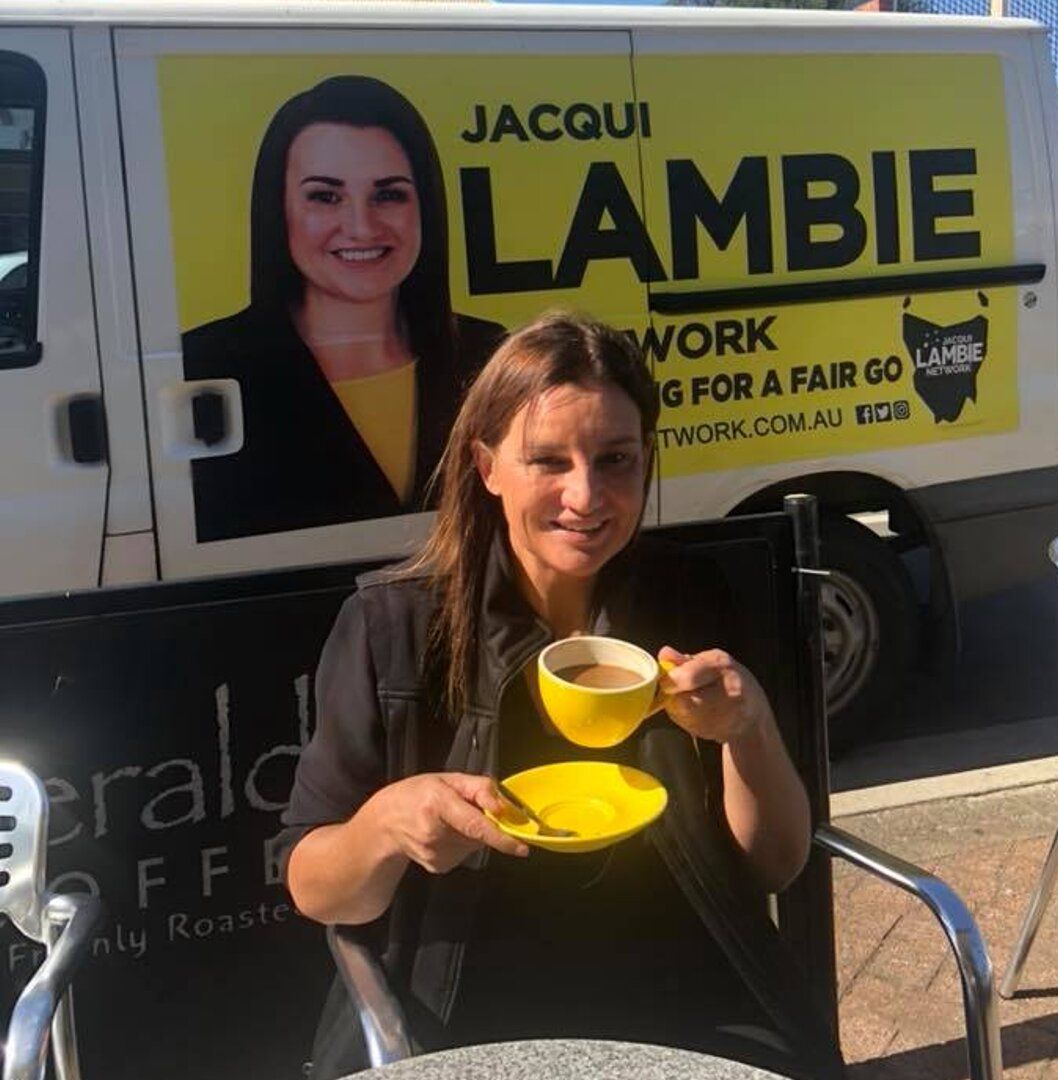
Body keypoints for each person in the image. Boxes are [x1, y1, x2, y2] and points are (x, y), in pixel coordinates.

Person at [280, 312, 846, 1079]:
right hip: (461, 1000)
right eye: (548, 460)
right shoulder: (395, 627)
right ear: (487, 467)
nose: (587, 495)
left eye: (616, 460)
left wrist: (747, 728)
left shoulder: (689, 597)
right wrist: (387, 825)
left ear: (646, 459)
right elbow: (314, 887)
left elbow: (773, 866)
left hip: (684, 987)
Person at [182, 75, 505, 542]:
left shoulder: (489, 354)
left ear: (425, 207)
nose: (361, 226)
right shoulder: (201, 364)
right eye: (325, 196)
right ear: (278, 209)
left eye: (388, 194)